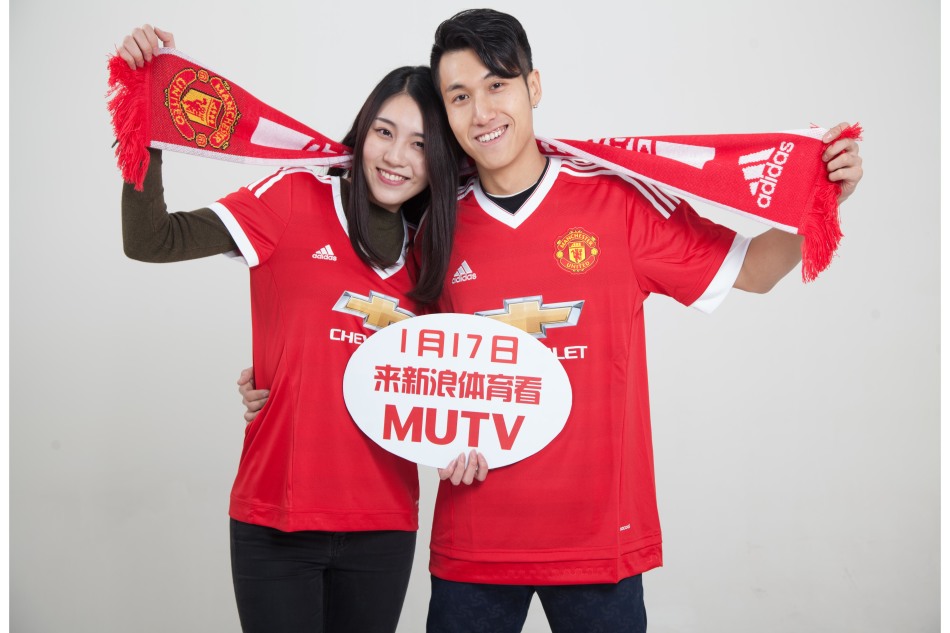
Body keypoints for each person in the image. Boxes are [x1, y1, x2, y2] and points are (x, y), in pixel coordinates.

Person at [240, 8, 863, 632]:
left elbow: (755, 269)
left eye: (497, 85)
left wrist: (822, 197)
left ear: (533, 87)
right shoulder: (434, 225)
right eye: (460, 96)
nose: (482, 112)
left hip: (599, 545)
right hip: (473, 548)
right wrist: (274, 376)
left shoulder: (617, 201)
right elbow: (387, 344)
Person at [115, 24, 482, 633]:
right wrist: (144, 125)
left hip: (382, 524)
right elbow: (152, 240)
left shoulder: (435, 251)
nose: (396, 157)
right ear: (361, 132)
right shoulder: (291, 198)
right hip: (275, 518)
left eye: (421, 144)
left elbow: (451, 379)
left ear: (440, 160)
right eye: (384, 133)